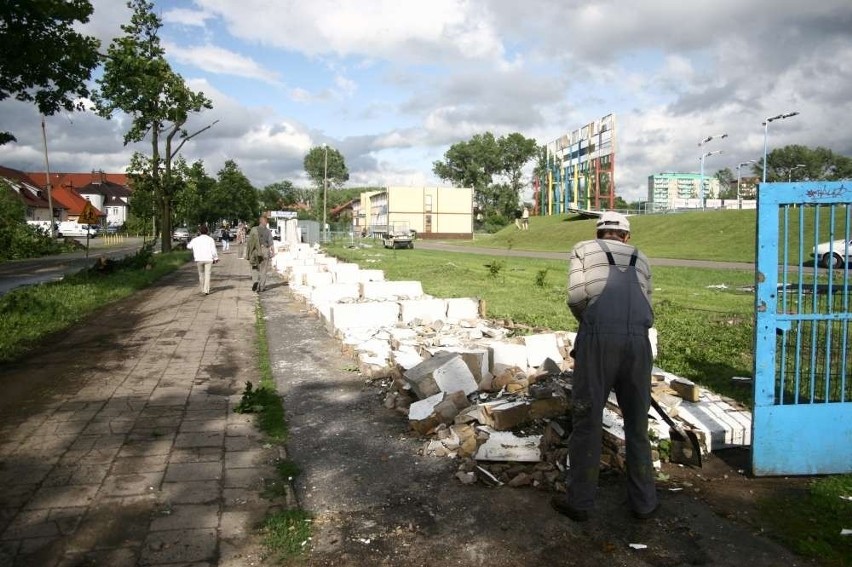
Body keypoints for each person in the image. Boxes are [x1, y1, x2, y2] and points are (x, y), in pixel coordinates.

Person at [552, 211, 658, 522]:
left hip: (599, 341)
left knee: (587, 421)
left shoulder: (583, 248)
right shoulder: (642, 258)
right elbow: (649, 310)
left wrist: (595, 325)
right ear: (627, 236)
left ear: (600, 233)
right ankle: (644, 503)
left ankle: (581, 502)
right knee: (637, 426)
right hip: (639, 343)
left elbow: (576, 298)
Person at [186, 224, 218, 295]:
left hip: (199, 259)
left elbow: (189, 246)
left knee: (201, 274)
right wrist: (216, 258)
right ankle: (206, 290)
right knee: (208, 274)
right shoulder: (210, 239)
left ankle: (202, 289)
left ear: (199, 232)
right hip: (208, 259)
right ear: (207, 231)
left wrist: (189, 242)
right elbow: (213, 250)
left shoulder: (195, 240)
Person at [246, 214, 274, 292]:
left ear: (259, 221)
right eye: (266, 221)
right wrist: (273, 252)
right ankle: (261, 287)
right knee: (263, 269)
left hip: (255, 251)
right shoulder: (268, 231)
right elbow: (271, 243)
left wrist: (248, 253)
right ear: (265, 222)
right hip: (265, 251)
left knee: (254, 267)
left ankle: (255, 281)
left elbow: (249, 242)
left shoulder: (254, 230)